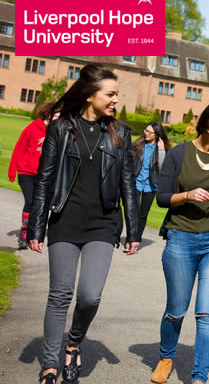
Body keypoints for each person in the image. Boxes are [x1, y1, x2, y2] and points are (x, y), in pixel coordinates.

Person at [27, 63, 140, 384]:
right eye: (111, 94)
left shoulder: (121, 133)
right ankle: (50, 365)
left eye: (117, 94)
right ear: (90, 96)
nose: (116, 99)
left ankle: (73, 343)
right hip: (65, 221)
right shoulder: (60, 129)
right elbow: (45, 180)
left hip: (103, 225)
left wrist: (133, 230)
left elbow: (128, 186)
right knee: (60, 294)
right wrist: (36, 226)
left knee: (90, 295)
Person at [150, 102, 209, 384]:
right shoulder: (179, 153)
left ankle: (200, 376)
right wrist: (187, 195)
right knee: (176, 310)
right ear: (208, 126)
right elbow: (162, 197)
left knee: (206, 312)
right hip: (181, 237)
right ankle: (166, 357)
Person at [8, 101, 58, 250]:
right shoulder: (33, 127)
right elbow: (19, 148)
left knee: (42, 204)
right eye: (56, 114)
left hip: (45, 175)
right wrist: (12, 171)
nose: (58, 117)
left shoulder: (56, 131)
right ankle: (24, 234)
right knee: (30, 201)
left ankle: (34, 233)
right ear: (48, 113)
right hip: (27, 172)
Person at [132, 121, 172, 244]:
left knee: (143, 214)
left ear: (157, 134)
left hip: (151, 186)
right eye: (146, 130)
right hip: (136, 183)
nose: (146, 133)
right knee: (132, 212)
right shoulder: (139, 145)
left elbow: (162, 167)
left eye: (149, 132)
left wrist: (160, 151)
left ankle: (136, 239)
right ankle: (131, 237)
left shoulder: (163, 148)